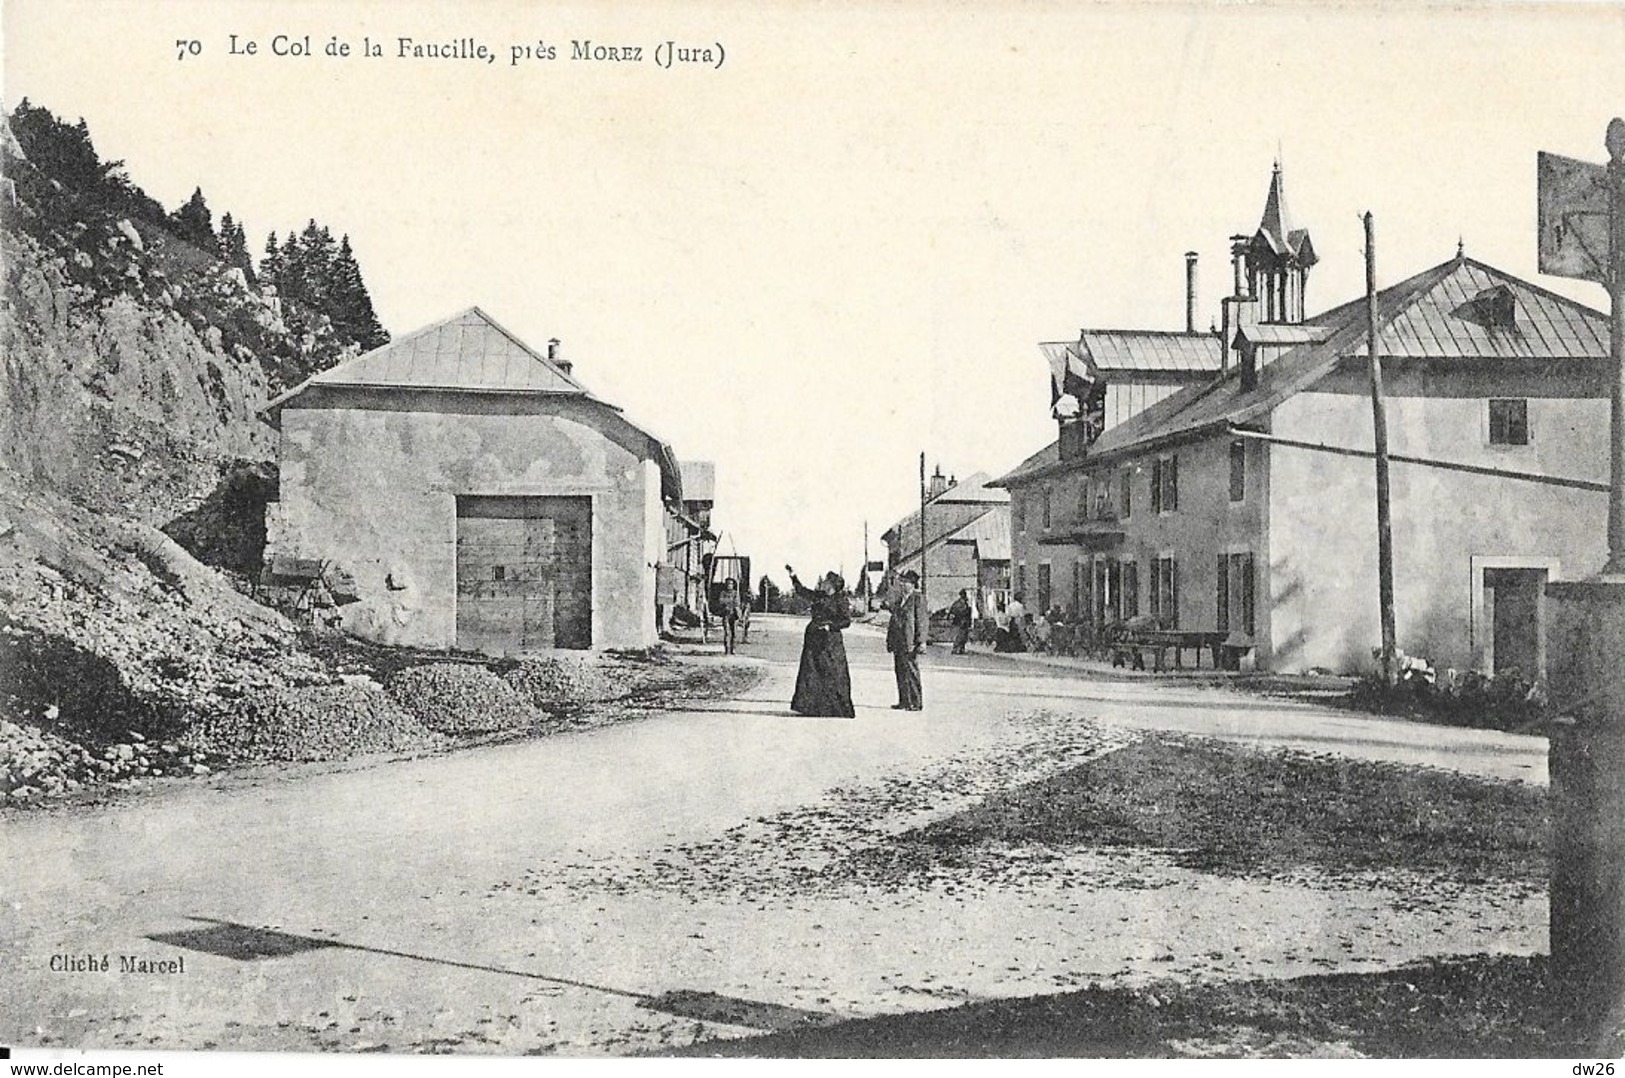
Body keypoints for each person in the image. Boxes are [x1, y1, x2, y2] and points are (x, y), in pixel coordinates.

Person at [786, 565, 855, 718]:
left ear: (832, 585)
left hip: (830, 641)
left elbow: (846, 621)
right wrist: (793, 575)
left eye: (826, 581)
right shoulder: (819, 595)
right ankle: (811, 708)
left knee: (832, 672)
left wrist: (830, 626)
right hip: (813, 638)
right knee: (811, 671)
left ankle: (835, 709)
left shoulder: (841, 600)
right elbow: (801, 590)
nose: (823, 582)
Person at [887, 570, 925, 710]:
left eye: (905, 582)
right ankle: (904, 701)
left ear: (913, 584)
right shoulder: (899, 600)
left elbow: (921, 621)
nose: (902, 585)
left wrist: (921, 641)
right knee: (900, 671)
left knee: (911, 672)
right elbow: (894, 620)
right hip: (898, 642)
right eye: (902, 582)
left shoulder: (918, 598)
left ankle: (916, 702)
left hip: (910, 642)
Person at [716, 578, 743, 655]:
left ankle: (733, 649)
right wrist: (730, 602)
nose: (729, 585)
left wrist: (727, 602)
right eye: (728, 584)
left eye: (731, 584)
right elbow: (721, 601)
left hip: (734, 615)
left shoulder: (735, 593)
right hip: (726, 615)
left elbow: (737, 602)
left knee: (734, 633)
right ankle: (727, 649)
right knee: (727, 632)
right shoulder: (723, 593)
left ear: (733, 585)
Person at [948, 589, 973, 655]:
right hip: (960, 622)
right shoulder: (958, 603)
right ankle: (956, 649)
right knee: (960, 636)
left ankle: (961, 649)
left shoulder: (965, 603)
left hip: (964, 622)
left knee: (964, 637)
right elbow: (954, 612)